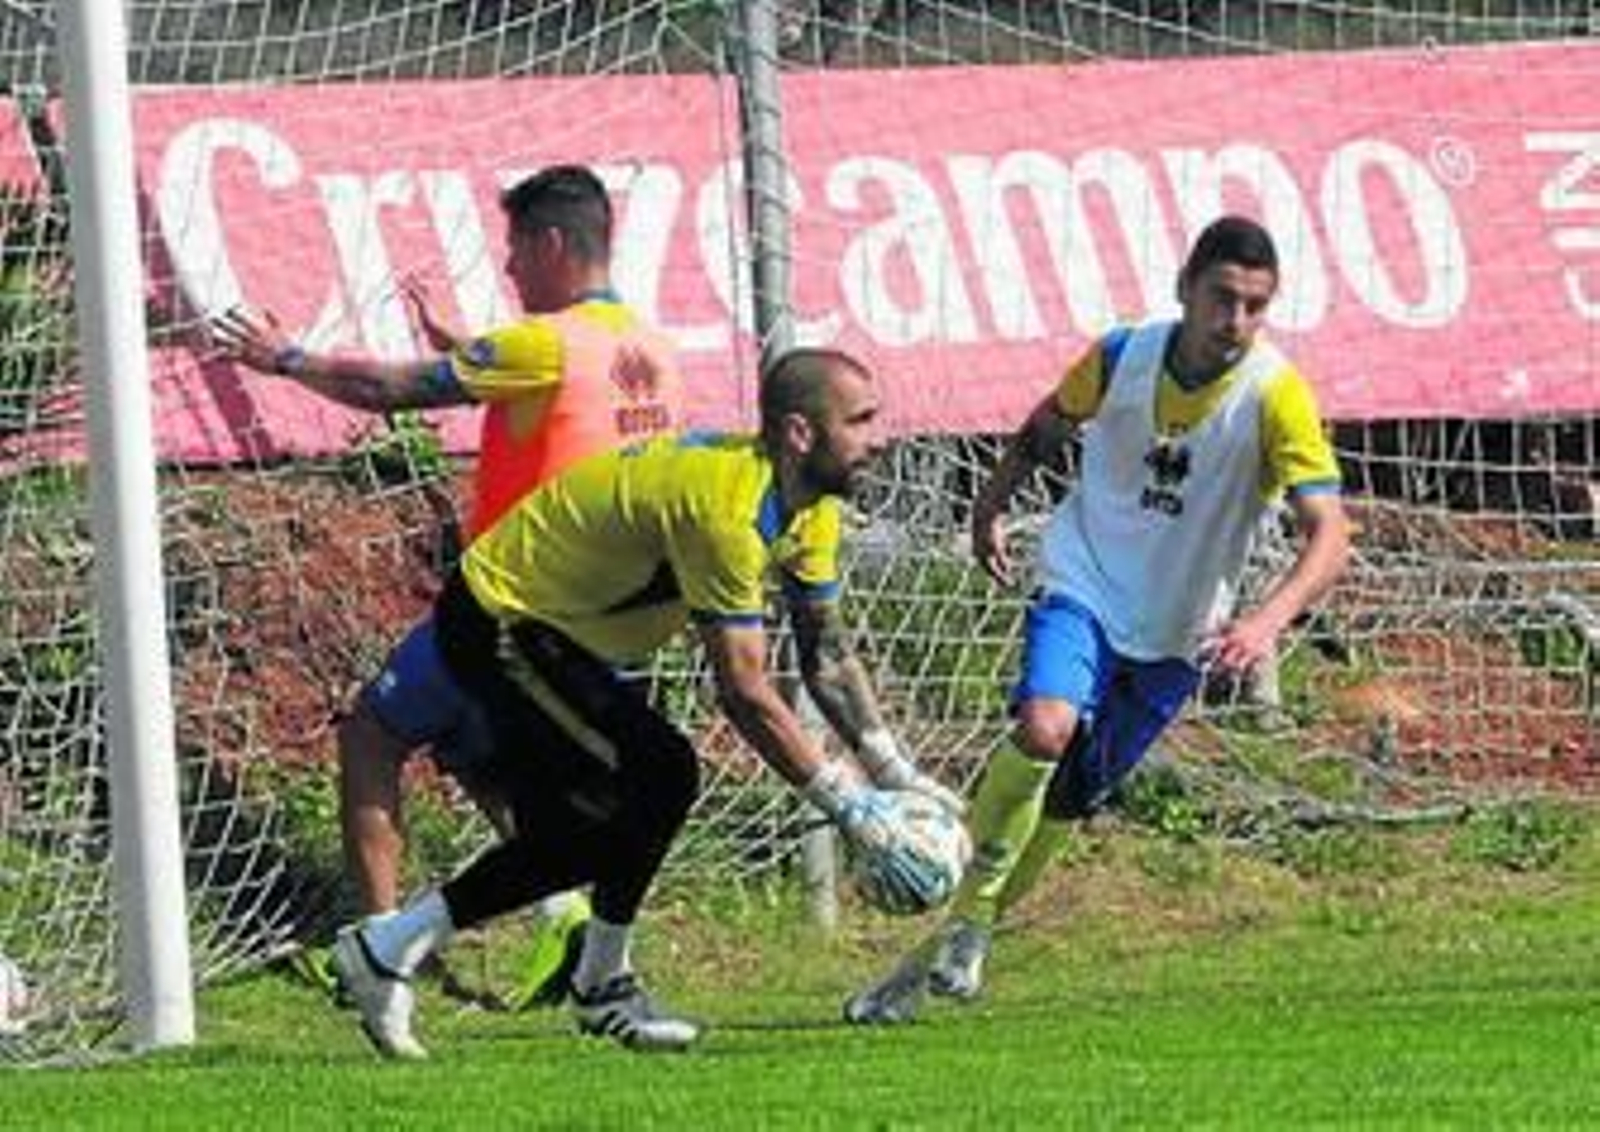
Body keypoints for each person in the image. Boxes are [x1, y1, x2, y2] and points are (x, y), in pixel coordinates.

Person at [328, 347, 962, 1058]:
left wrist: (895, 772)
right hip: (506, 620)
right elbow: (745, 691)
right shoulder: (726, 508)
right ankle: (534, 973)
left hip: (566, 638)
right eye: (862, 421)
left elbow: (827, 656)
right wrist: (847, 806)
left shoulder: (812, 508)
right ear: (799, 433)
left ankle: (411, 953)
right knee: (653, 780)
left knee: (608, 817)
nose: (879, 438)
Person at [844, 215, 1352, 1025]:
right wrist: (990, 505)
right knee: (1046, 728)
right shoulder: (1122, 355)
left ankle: (933, 957)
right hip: (1082, 580)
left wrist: (1265, 624)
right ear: (1184, 288)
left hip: (1182, 625)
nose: (1238, 322)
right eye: (1223, 299)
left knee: (1073, 798)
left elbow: (1331, 534)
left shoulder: (1275, 394)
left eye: (1257, 305)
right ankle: (969, 914)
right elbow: (1048, 424)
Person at [211, 164, 685, 1007]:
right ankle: (567, 923)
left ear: (548, 243)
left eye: (514, 252)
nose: (509, 271)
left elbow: (387, 391)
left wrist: (283, 357)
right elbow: (560, 402)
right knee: (481, 755)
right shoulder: (650, 348)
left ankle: (378, 954)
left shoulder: (542, 343)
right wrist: (459, 342)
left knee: (371, 736)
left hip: (516, 608)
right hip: (599, 624)